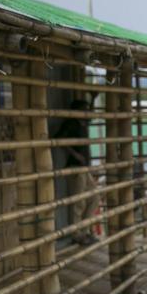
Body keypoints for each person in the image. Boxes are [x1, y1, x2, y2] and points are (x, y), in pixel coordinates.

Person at [54, 100, 99, 246]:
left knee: (94, 197)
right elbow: (58, 139)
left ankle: (83, 231)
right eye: (84, 109)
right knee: (78, 202)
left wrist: (92, 99)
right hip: (75, 167)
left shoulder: (83, 123)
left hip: (84, 168)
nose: (87, 112)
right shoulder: (71, 123)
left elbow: (91, 116)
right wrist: (74, 154)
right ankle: (77, 234)